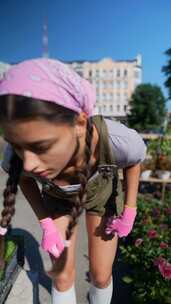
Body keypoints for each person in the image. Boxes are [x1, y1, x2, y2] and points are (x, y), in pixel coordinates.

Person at [0, 58, 146, 304]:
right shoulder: (18, 157)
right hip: (58, 201)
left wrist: (129, 210)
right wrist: (46, 222)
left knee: (100, 276)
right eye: (18, 147)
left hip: (101, 196)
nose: (28, 164)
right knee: (62, 276)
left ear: (79, 123)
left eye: (41, 147)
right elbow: (23, 178)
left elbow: (134, 163)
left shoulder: (118, 140)